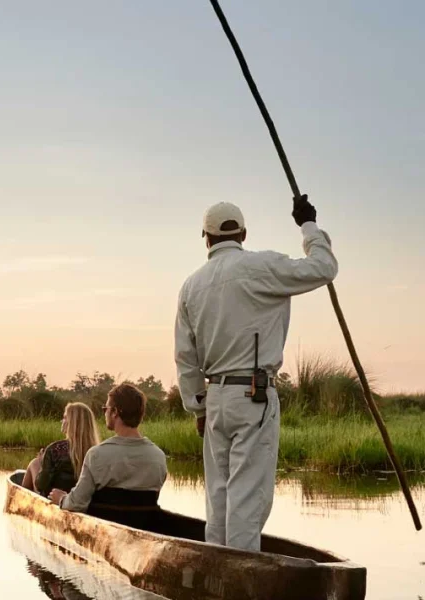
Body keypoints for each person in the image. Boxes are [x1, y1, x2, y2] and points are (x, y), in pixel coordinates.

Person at [174, 196, 338, 551]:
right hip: (254, 396)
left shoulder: (191, 286)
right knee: (247, 500)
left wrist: (198, 407)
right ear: (244, 233)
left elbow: (185, 359)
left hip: (215, 398)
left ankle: (215, 574)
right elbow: (324, 267)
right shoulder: (264, 267)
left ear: (206, 237)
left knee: (218, 499)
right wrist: (308, 225)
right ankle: (240, 581)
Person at [48, 383, 167, 529]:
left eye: (106, 409)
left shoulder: (97, 455)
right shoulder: (158, 457)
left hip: (104, 533)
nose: (104, 413)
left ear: (115, 412)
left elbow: (76, 504)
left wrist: (61, 499)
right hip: (144, 530)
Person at [22, 402, 100, 498]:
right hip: (83, 500)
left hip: (54, 498)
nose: (62, 421)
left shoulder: (55, 449)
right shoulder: (97, 451)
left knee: (34, 463)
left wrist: (43, 462)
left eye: (65, 417)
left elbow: (40, 485)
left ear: (72, 422)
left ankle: (21, 502)